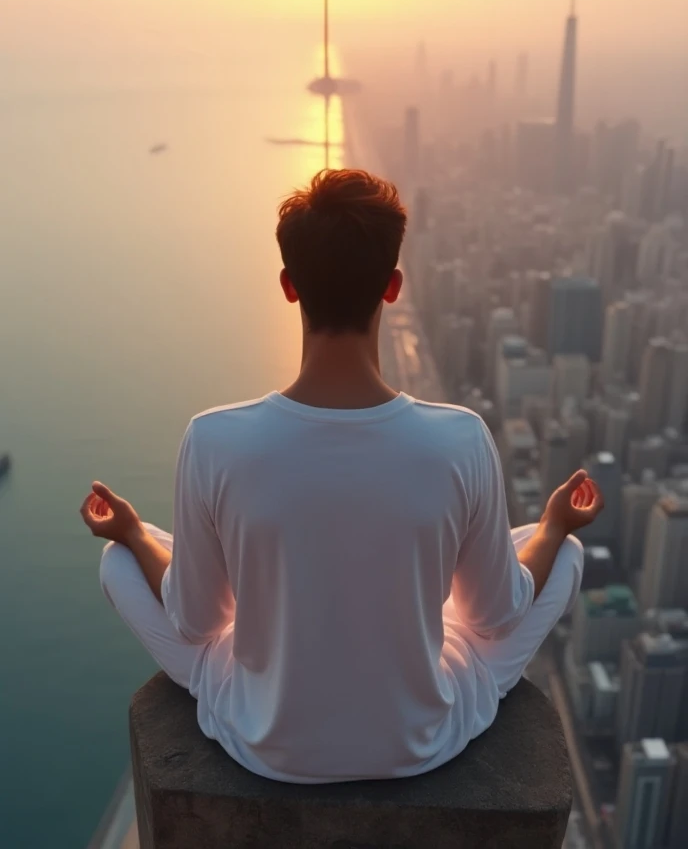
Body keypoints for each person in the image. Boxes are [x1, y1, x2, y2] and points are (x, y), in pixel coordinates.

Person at [81, 168, 603, 783]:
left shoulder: (214, 438)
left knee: (120, 563)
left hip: (262, 741)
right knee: (556, 552)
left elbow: (196, 621)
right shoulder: (460, 438)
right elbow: (495, 617)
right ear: (392, 287)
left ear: (287, 286)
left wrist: (137, 534)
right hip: (421, 741)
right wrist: (552, 524)